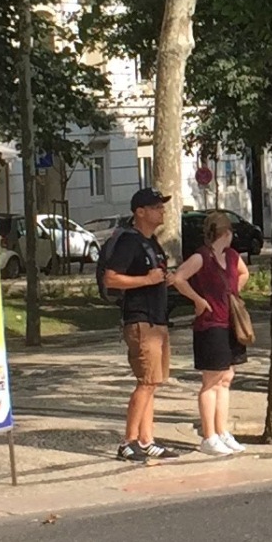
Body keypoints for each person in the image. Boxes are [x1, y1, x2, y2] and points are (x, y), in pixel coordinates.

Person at [99, 188, 177, 463]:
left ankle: (147, 439)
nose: (162, 211)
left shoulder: (151, 242)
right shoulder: (129, 242)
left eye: (162, 206)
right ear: (140, 212)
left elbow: (154, 275)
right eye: (156, 207)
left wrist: (164, 279)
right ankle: (128, 441)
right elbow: (111, 279)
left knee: (153, 382)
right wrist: (147, 280)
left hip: (157, 318)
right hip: (140, 319)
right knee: (145, 382)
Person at [170, 212, 249, 455]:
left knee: (226, 378)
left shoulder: (233, 257)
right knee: (211, 380)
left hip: (230, 323)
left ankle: (222, 431)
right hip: (210, 324)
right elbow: (178, 278)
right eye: (230, 233)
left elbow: (244, 274)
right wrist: (199, 300)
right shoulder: (202, 257)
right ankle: (208, 435)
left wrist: (233, 293)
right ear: (225, 234)